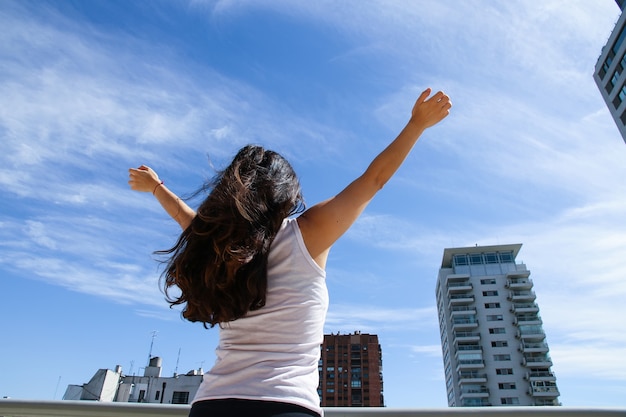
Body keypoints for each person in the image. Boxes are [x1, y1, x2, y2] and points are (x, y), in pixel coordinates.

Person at [128, 88, 451, 417]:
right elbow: (374, 179)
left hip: (213, 404)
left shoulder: (221, 245)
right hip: (284, 405)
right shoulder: (308, 233)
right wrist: (416, 125)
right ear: (286, 195)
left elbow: (188, 219)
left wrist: (156, 187)